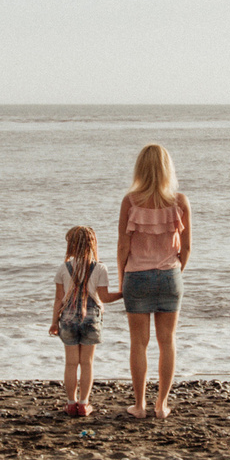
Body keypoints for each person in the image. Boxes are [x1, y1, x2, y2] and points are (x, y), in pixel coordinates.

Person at [115, 143, 194, 420]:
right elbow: (186, 248)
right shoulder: (180, 202)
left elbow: (123, 247)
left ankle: (139, 405)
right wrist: (175, 272)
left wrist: (123, 278)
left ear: (140, 169)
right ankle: (161, 405)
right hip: (170, 275)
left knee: (139, 343)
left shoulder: (130, 201)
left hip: (136, 276)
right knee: (167, 341)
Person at [48, 225, 119, 417]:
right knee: (87, 363)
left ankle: (71, 403)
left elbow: (58, 299)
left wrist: (54, 322)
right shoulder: (100, 268)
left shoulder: (63, 268)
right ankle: (84, 403)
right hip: (91, 319)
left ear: (71, 245)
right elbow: (104, 298)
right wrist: (123, 294)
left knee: (71, 363)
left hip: (68, 318)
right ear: (92, 244)